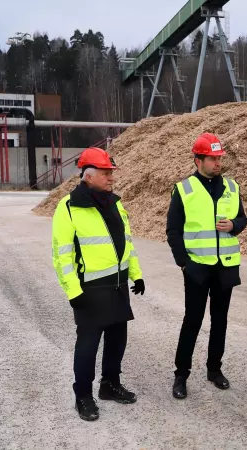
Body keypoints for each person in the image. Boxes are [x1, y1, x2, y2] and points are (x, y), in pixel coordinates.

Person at [51, 147, 145, 421]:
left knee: (117, 340)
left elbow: (127, 244)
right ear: (88, 176)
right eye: (106, 173)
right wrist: (72, 291)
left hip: (117, 287)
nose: (111, 178)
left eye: (111, 173)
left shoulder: (115, 203)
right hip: (89, 290)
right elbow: (61, 255)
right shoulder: (68, 208)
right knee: (88, 345)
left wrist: (135, 274)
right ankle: (83, 396)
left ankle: (109, 385)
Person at [167, 133, 247, 400]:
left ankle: (214, 370)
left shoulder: (232, 187)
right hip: (197, 267)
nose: (217, 163)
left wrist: (234, 226)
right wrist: (184, 263)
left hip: (225, 266)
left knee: (220, 321)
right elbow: (174, 231)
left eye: (219, 158)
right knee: (192, 320)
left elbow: (243, 219)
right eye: (212, 158)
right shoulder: (184, 189)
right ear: (198, 159)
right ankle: (181, 374)